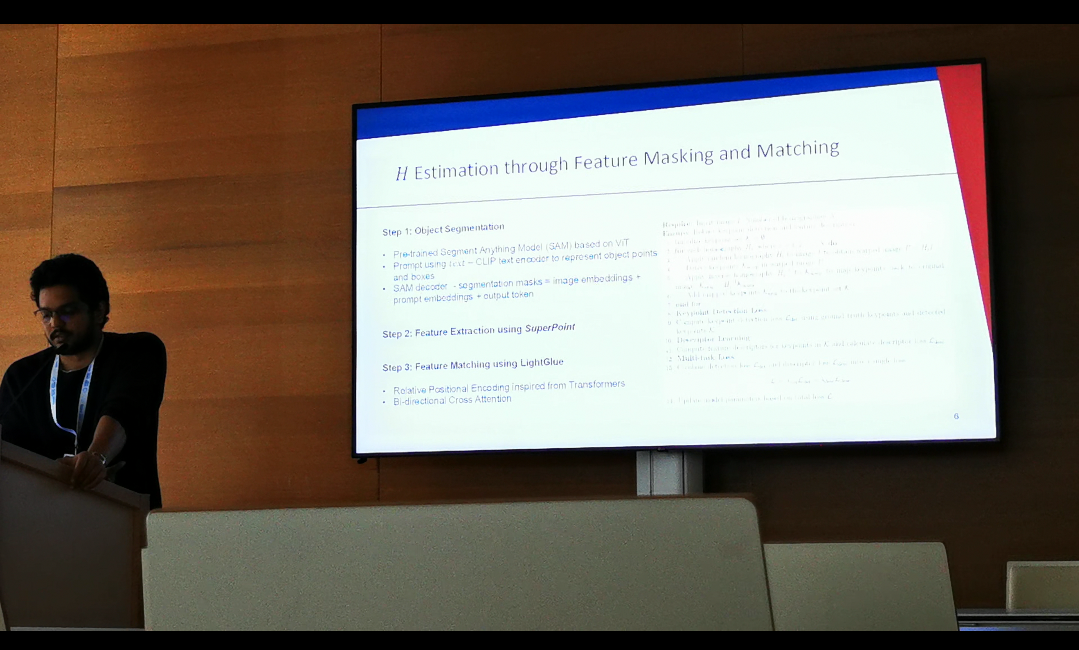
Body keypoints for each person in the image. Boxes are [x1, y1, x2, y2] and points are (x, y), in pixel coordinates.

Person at [0, 254, 165, 509]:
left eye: (67, 312)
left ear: (98, 311)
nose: (55, 324)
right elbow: (10, 455)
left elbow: (125, 410)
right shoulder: (22, 376)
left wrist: (97, 457)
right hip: (41, 516)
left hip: (121, 515)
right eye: (46, 315)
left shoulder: (138, 351)